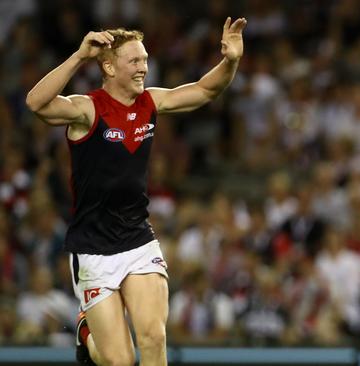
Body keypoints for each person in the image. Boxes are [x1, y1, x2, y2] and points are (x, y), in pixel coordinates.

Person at [25, 17, 247, 366]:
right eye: (135, 61)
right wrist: (79, 56)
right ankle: (87, 335)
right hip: (92, 248)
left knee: (155, 337)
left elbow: (206, 90)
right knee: (119, 361)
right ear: (109, 66)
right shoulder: (88, 108)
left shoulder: (151, 102)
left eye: (145, 59)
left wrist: (230, 60)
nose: (144, 67)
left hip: (137, 239)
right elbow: (36, 103)